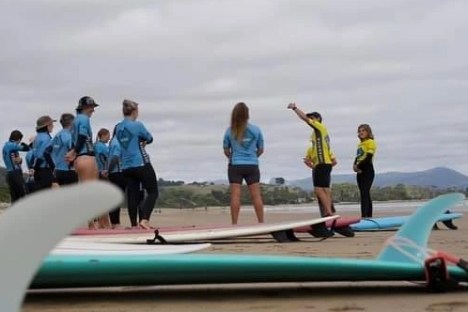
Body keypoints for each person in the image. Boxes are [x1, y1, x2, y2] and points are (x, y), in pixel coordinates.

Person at [65, 96, 110, 229]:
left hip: (79, 159)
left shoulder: (74, 121)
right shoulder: (84, 119)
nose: (93, 111)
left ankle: (92, 223)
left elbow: (72, 140)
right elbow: (83, 136)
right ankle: (92, 224)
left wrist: (73, 153)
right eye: (91, 108)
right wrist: (75, 151)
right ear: (84, 108)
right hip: (86, 157)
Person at [114, 99, 158, 229]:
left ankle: (133, 224)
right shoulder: (137, 125)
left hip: (126, 166)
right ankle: (144, 219)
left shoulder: (118, 127)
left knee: (132, 195)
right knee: (153, 191)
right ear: (134, 111)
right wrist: (142, 140)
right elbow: (149, 138)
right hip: (140, 162)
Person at [288, 103, 335, 217]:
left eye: (312, 118)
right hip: (324, 163)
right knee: (324, 188)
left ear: (318, 119)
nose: (310, 119)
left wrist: (295, 108)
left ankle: (328, 212)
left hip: (323, 162)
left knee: (319, 189)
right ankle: (329, 211)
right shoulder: (317, 134)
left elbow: (304, 118)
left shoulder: (320, 127)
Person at [223, 102, 264, 225]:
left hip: (235, 165)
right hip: (252, 165)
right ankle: (261, 223)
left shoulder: (229, 131)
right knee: (256, 195)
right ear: (247, 115)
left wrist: (233, 158)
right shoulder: (256, 130)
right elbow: (261, 149)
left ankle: (234, 224)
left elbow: (226, 150)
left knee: (235, 195)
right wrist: (252, 157)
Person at [46, 113, 78, 186]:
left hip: (58, 170)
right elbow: (72, 149)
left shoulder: (57, 135)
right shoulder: (69, 135)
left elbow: (46, 152)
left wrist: (53, 166)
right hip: (69, 171)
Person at [353, 124, 377, 218]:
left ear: (368, 132)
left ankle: (364, 216)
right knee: (364, 193)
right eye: (359, 131)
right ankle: (368, 216)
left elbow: (368, 157)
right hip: (359, 171)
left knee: (364, 192)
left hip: (367, 169)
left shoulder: (371, 142)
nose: (361, 132)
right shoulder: (360, 144)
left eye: (363, 130)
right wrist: (354, 165)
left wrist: (358, 166)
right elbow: (358, 156)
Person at [2, 130, 30, 202]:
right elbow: (27, 148)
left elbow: (14, 160)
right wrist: (23, 143)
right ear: (18, 139)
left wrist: (20, 160)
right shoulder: (11, 145)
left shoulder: (7, 145)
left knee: (15, 198)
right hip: (15, 173)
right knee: (25, 193)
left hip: (10, 173)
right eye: (20, 141)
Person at [107, 127, 126, 228]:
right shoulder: (117, 142)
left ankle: (114, 222)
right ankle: (115, 222)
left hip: (114, 173)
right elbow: (115, 157)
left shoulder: (112, 142)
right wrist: (109, 170)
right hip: (118, 172)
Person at [33, 116, 56, 191]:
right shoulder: (46, 138)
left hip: (38, 169)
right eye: (51, 124)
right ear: (47, 126)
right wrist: (53, 168)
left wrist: (35, 169)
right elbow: (43, 155)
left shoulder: (37, 137)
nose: (53, 126)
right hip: (44, 170)